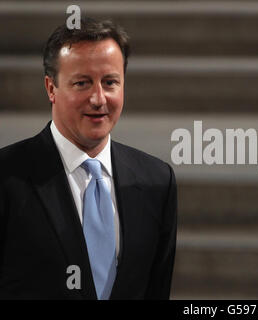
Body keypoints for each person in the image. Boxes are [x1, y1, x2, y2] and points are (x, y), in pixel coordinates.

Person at [0, 18, 177, 299]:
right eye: (82, 83)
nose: (98, 98)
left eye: (110, 82)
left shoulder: (157, 181)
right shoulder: (8, 176)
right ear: (51, 89)